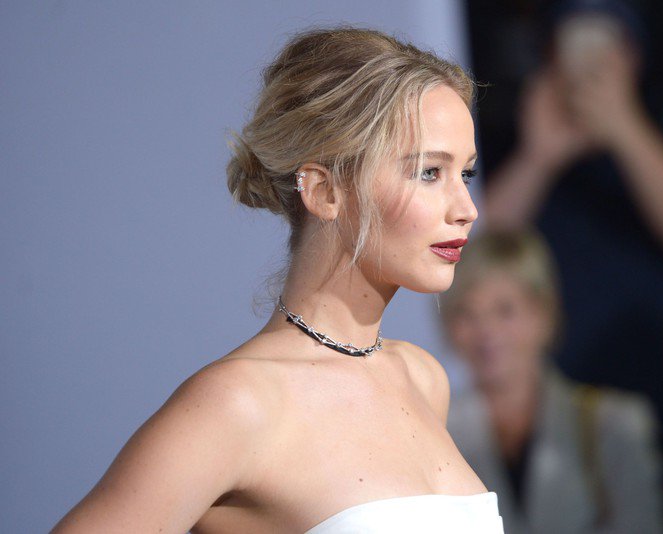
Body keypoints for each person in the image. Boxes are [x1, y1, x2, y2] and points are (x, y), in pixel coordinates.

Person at [53, 28, 503, 533]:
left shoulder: (422, 379)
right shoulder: (236, 404)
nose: (467, 209)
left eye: (465, 174)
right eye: (429, 172)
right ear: (325, 191)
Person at [481, 1, 663, 473]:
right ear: (548, 54)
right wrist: (537, 159)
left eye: (605, 46)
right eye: (575, 44)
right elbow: (464, 253)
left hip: (655, 399)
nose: (589, 64)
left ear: (633, 57)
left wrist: (625, 129)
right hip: (528, 408)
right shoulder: (508, 132)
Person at [442, 230, 663, 533]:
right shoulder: (434, 432)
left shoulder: (616, 424)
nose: (486, 331)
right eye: (466, 313)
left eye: (504, 310)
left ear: (544, 313)